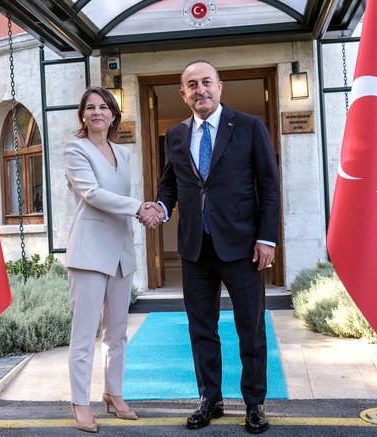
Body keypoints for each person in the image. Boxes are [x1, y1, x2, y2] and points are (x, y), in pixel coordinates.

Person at [141, 60, 280, 434]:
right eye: (191, 84)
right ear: (183, 94)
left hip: (242, 246)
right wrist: (160, 206)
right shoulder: (175, 135)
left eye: (206, 82)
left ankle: (254, 403)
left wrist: (267, 238)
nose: (199, 89)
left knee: (250, 327)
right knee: (201, 328)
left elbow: (268, 186)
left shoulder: (249, 126)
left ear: (220, 87)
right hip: (194, 249)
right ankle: (210, 399)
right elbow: (170, 185)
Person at [64, 87, 162, 433]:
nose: (97, 112)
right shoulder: (75, 149)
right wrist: (140, 207)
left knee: (117, 334)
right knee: (84, 334)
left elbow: (120, 196)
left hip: (120, 252)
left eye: (103, 107)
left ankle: (113, 393)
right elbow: (92, 194)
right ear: (83, 115)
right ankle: (80, 403)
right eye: (90, 107)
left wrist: (144, 208)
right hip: (89, 253)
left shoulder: (123, 152)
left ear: (113, 114)